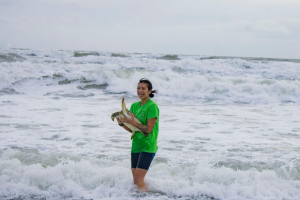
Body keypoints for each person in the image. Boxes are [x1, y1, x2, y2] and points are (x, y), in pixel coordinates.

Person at [117, 78, 159, 190]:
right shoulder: (135, 106)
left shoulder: (152, 106)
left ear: (149, 91)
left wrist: (132, 122)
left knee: (138, 179)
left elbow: (148, 129)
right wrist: (122, 124)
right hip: (136, 145)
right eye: (138, 88)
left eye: (143, 88)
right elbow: (132, 129)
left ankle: (146, 197)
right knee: (136, 180)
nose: (140, 91)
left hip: (147, 146)